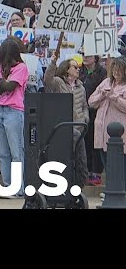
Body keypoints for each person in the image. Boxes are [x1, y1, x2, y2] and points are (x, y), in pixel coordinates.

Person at [44, 52, 89, 187]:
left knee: (79, 158)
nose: (78, 69)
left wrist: (85, 118)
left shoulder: (81, 87)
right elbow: (48, 79)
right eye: (75, 67)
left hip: (79, 128)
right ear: (66, 69)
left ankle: (79, 182)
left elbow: (84, 106)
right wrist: (53, 62)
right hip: (63, 127)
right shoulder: (59, 82)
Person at [0, 38, 29, 198]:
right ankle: (8, 185)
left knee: (16, 152)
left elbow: (9, 86)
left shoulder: (22, 68)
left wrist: (2, 81)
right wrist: (2, 82)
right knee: (2, 152)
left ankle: (18, 187)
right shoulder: (2, 68)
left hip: (14, 111)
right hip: (0, 110)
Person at [89, 56, 126, 191]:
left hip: (119, 133)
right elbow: (91, 102)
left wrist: (114, 96)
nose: (116, 73)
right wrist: (102, 95)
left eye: (120, 70)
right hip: (101, 130)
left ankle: (119, 190)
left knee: (119, 164)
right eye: (114, 69)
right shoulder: (105, 82)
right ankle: (111, 190)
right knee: (107, 162)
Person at [79, 54, 107, 185]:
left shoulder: (102, 73)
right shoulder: (80, 71)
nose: (85, 58)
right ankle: (87, 171)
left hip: (96, 111)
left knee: (95, 142)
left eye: (88, 55)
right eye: (83, 55)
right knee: (84, 142)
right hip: (82, 110)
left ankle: (96, 172)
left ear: (95, 58)